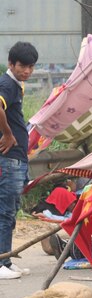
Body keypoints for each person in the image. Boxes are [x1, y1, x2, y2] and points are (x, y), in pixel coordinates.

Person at [0, 42, 38, 280]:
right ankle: (1, 263)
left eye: (31, 66)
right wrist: (7, 134)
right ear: (11, 64)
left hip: (17, 159)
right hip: (9, 160)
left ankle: (7, 259)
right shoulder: (7, 84)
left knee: (11, 210)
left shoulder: (16, 84)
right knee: (5, 211)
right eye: (22, 66)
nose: (27, 71)